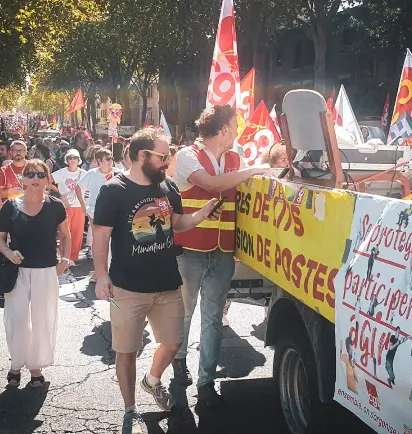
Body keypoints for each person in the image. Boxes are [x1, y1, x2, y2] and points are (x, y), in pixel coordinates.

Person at [92, 127, 220, 433]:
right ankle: (130, 410)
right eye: (162, 156)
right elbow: (100, 237)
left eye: (168, 156)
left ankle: (152, 380)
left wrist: (202, 214)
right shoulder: (113, 190)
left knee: (173, 342)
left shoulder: (168, 186)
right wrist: (101, 276)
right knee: (126, 351)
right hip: (127, 286)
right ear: (142, 156)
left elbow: (178, 224)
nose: (167, 162)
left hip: (166, 283)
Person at [171, 105, 269, 405]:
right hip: (190, 249)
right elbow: (211, 184)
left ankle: (206, 382)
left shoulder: (235, 159)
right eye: (235, 128)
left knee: (213, 318)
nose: (237, 133)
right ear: (224, 130)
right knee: (185, 313)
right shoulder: (187, 155)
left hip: (223, 250)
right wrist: (254, 170)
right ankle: (178, 361)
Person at [0, 160, 71, 389]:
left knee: (42, 320)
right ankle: (16, 364)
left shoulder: (56, 206)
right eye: (30, 174)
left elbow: (65, 235)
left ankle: (36, 367)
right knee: (17, 320)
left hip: (46, 270)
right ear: (23, 180)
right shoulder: (10, 206)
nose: (35, 178)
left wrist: (64, 261)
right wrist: (8, 252)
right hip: (17, 271)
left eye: (40, 174)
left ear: (47, 179)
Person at [76, 148, 119, 264]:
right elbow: (78, 188)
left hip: (114, 211)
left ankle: (112, 264)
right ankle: (99, 266)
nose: (110, 161)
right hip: (94, 211)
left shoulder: (118, 173)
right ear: (99, 161)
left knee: (113, 238)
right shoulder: (92, 173)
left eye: (111, 158)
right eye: (107, 159)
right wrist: (83, 206)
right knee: (98, 239)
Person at [50, 149, 87, 265]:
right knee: (64, 233)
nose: (72, 160)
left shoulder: (84, 174)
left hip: (79, 206)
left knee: (77, 233)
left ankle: (73, 257)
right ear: (67, 160)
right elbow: (46, 180)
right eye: (70, 158)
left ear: (78, 160)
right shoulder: (61, 172)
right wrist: (57, 190)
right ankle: (64, 257)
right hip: (65, 206)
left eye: (75, 158)